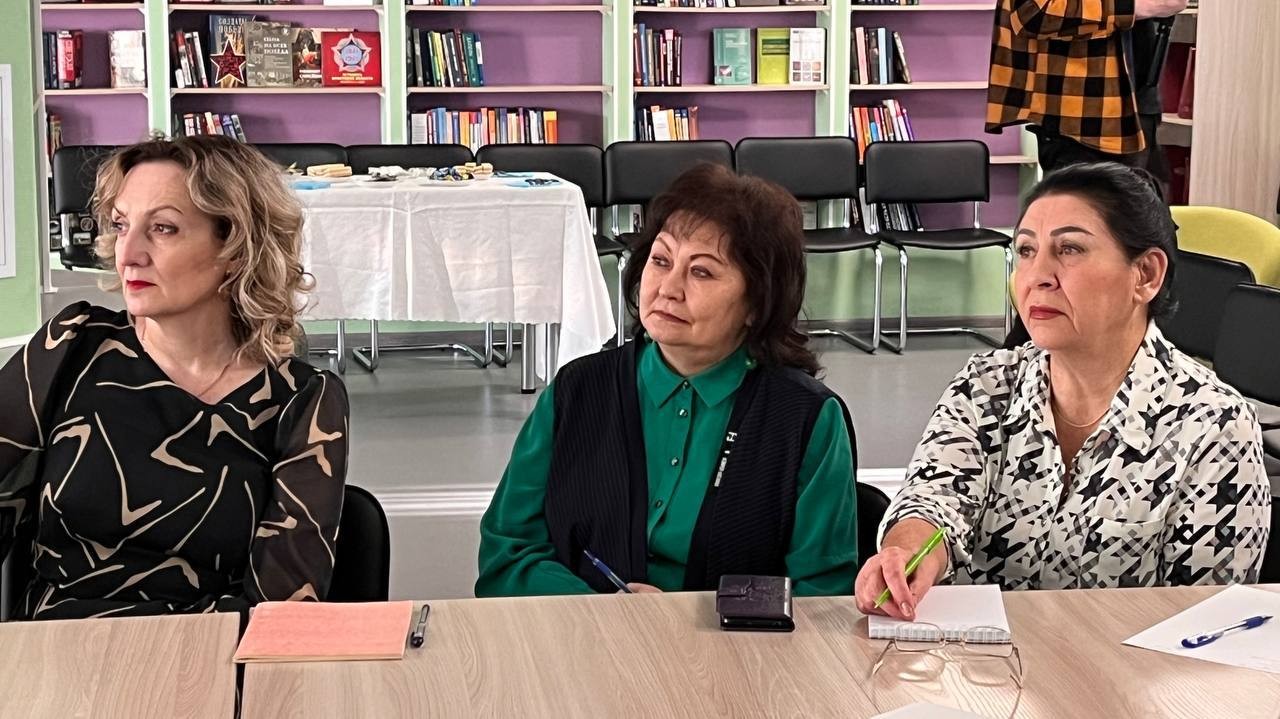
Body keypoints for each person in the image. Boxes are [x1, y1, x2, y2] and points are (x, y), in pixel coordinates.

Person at [855, 163, 1270, 621]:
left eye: (1069, 249)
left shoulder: (1214, 424)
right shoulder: (986, 384)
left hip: (1122, 665)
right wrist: (907, 552)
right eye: (1026, 251)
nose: (1038, 276)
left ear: (1146, 274)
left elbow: (1206, 619)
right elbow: (934, 499)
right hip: (980, 661)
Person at [0, 135, 349, 620]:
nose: (128, 254)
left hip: (208, 653)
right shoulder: (73, 346)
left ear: (235, 246)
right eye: (121, 225)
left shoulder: (302, 400)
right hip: (56, 647)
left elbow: (282, 610)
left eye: (162, 228)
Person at [476, 163, 858, 597]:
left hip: (735, 641)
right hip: (581, 633)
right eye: (661, 261)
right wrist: (602, 612)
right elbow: (507, 554)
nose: (668, 288)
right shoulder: (577, 390)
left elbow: (822, 592)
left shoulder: (806, 419)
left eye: (702, 272)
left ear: (758, 302)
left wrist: (690, 619)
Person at [986, 0, 1186, 180]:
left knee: (1138, 206)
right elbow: (1034, 12)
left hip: (1137, 101)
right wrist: (1131, 7)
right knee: (1081, 206)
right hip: (1081, 120)